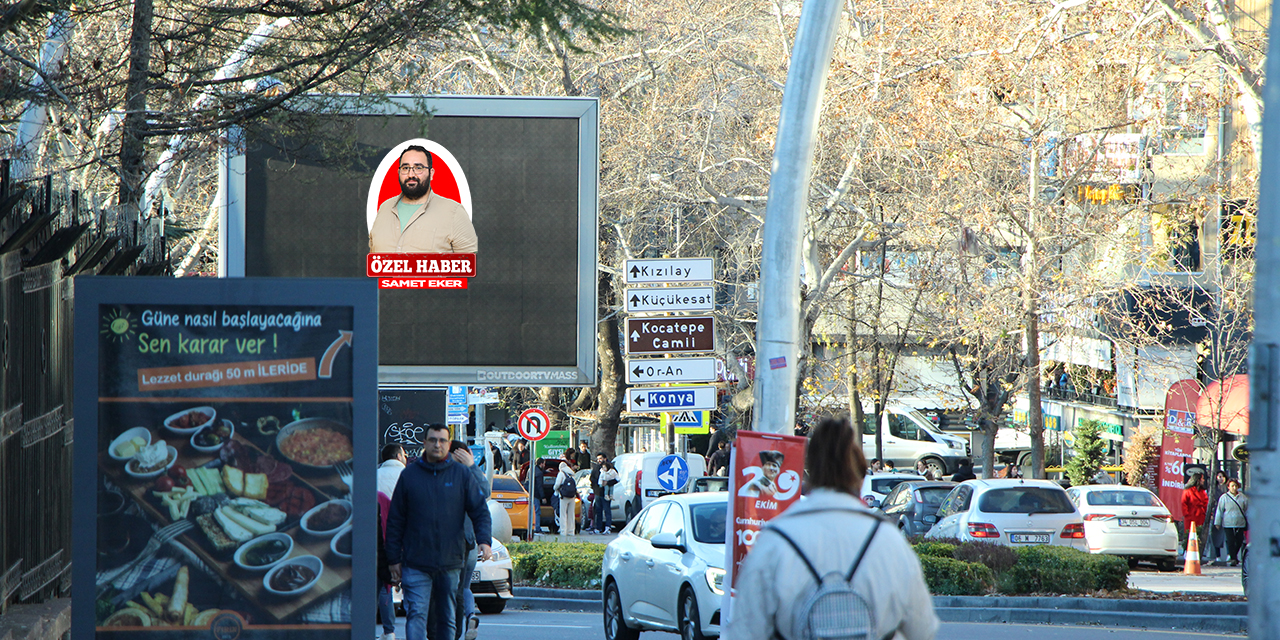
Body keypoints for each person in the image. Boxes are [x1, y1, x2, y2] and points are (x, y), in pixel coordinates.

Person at [723, 417, 939, 640]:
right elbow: (922, 630)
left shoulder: (775, 540)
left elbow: (745, 632)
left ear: (809, 473)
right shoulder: (888, 541)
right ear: (860, 475)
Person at [385, 425, 492, 640]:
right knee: (416, 614)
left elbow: (480, 509)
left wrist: (484, 540)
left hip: (450, 561)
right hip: (415, 561)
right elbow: (396, 520)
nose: (437, 444)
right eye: (433, 440)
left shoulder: (461, 474)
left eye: (442, 440)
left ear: (449, 444)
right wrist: (393, 559)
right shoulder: (409, 476)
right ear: (424, 443)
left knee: (447, 618)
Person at [369, 145, 478, 254]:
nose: (411, 174)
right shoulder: (384, 208)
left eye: (418, 168)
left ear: (431, 173)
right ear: (398, 173)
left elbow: (468, 265)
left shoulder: (454, 212)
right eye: (405, 168)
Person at [432, 441, 489, 640]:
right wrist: (472, 466)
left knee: (450, 589)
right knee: (462, 588)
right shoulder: (469, 474)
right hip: (470, 540)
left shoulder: (447, 474)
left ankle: (453, 630)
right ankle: (470, 615)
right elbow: (485, 494)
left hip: (456, 543)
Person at [377, 444, 408, 640]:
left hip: (379, 539)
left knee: (382, 584)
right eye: (404, 454)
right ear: (398, 456)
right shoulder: (408, 476)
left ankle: (388, 632)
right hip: (404, 539)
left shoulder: (374, 476)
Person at [1213, 478, 1249, 566]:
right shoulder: (1224, 498)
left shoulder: (1243, 497)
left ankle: (1234, 556)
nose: (1234, 487)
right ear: (1228, 487)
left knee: (1239, 540)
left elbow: (1247, 509)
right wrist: (1217, 522)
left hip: (1240, 522)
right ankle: (1233, 558)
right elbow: (1219, 511)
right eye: (1232, 486)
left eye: (1235, 485)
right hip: (1228, 523)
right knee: (1230, 540)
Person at [1205, 470, 1229, 564]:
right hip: (1216, 513)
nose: (1221, 478)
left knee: (1228, 535)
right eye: (1219, 476)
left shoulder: (1228, 488)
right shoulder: (1213, 489)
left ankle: (1229, 554)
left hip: (1227, 514)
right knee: (1216, 534)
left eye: (1222, 476)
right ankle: (1217, 555)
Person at [1182, 471, 1209, 555]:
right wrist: (1187, 514)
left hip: (1200, 515)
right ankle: (1187, 550)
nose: (1203, 480)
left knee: (1200, 534)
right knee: (1189, 533)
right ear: (1197, 480)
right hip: (1191, 515)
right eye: (1202, 479)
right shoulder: (1188, 490)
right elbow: (1183, 503)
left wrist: (1206, 512)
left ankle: (1199, 551)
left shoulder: (1202, 491)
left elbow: (1206, 502)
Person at [555, 454, 579, 536]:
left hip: (563, 496)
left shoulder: (561, 473)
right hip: (572, 496)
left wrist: (555, 489)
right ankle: (571, 531)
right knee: (571, 514)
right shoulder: (572, 473)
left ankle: (563, 531)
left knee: (563, 514)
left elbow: (557, 484)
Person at [594, 457, 619, 533]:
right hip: (598, 492)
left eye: (601, 458)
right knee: (598, 511)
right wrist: (596, 487)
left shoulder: (612, 469)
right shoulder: (596, 468)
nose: (599, 460)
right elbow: (592, 479)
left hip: (606, 493)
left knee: (607, 510)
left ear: (605, 459)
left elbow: (616, 479)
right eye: (598, 458)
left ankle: (608, 526)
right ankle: (598, 527)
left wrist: (607, 483)